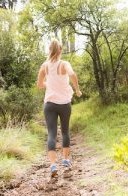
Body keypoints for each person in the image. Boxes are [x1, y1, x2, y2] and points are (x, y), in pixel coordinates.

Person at [36, 39, 82, 177]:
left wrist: (49, 84)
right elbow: (72, 74)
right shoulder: (64, 64)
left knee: (51, 134)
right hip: (64, 104)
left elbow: (39, 85)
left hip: (49, 104)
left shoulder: (44, 66)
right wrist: (77, 90)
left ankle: (53, 165)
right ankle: (66, 160)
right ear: (60, 50)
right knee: (65, 131)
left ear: (49, 50)